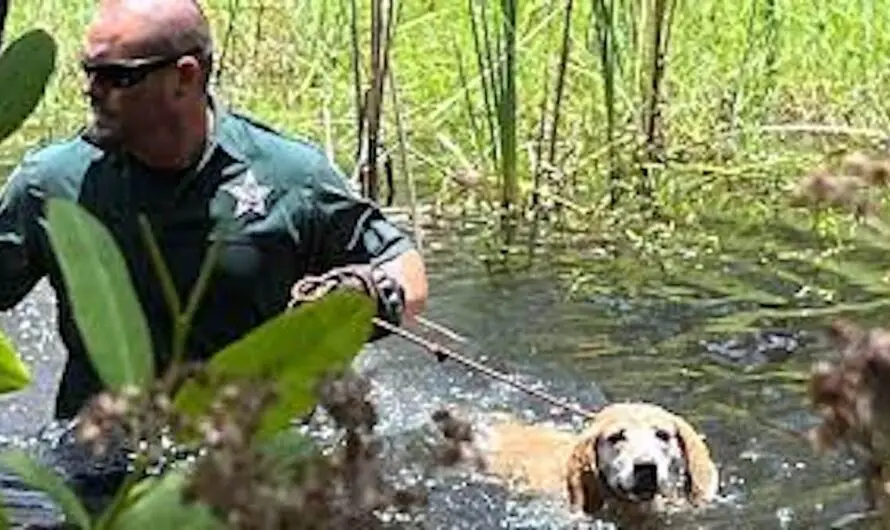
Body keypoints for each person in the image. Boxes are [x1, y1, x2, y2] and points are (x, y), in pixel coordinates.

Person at [0, 0, 429, 422]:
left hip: (249, 458)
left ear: (185, 77)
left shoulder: (289, 176)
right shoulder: (50, 184)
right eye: (89, 71)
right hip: (100, 461)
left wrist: (370, 294)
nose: (91, 89)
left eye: (116, 76)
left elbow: (403, 267)